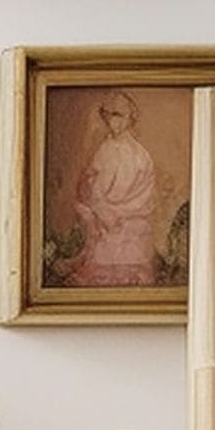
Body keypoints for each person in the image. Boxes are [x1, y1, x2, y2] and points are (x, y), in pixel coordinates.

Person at [63, 90, 161, 286]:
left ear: (130, 118)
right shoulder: (104, 150)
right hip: (104, 219)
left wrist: (114, 212)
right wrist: (101, 210)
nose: (113, 122)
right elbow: (92, 188)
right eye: (108, 116)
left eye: (119, 116)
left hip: (127, 221)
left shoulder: (140, 156)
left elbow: (146, 197)